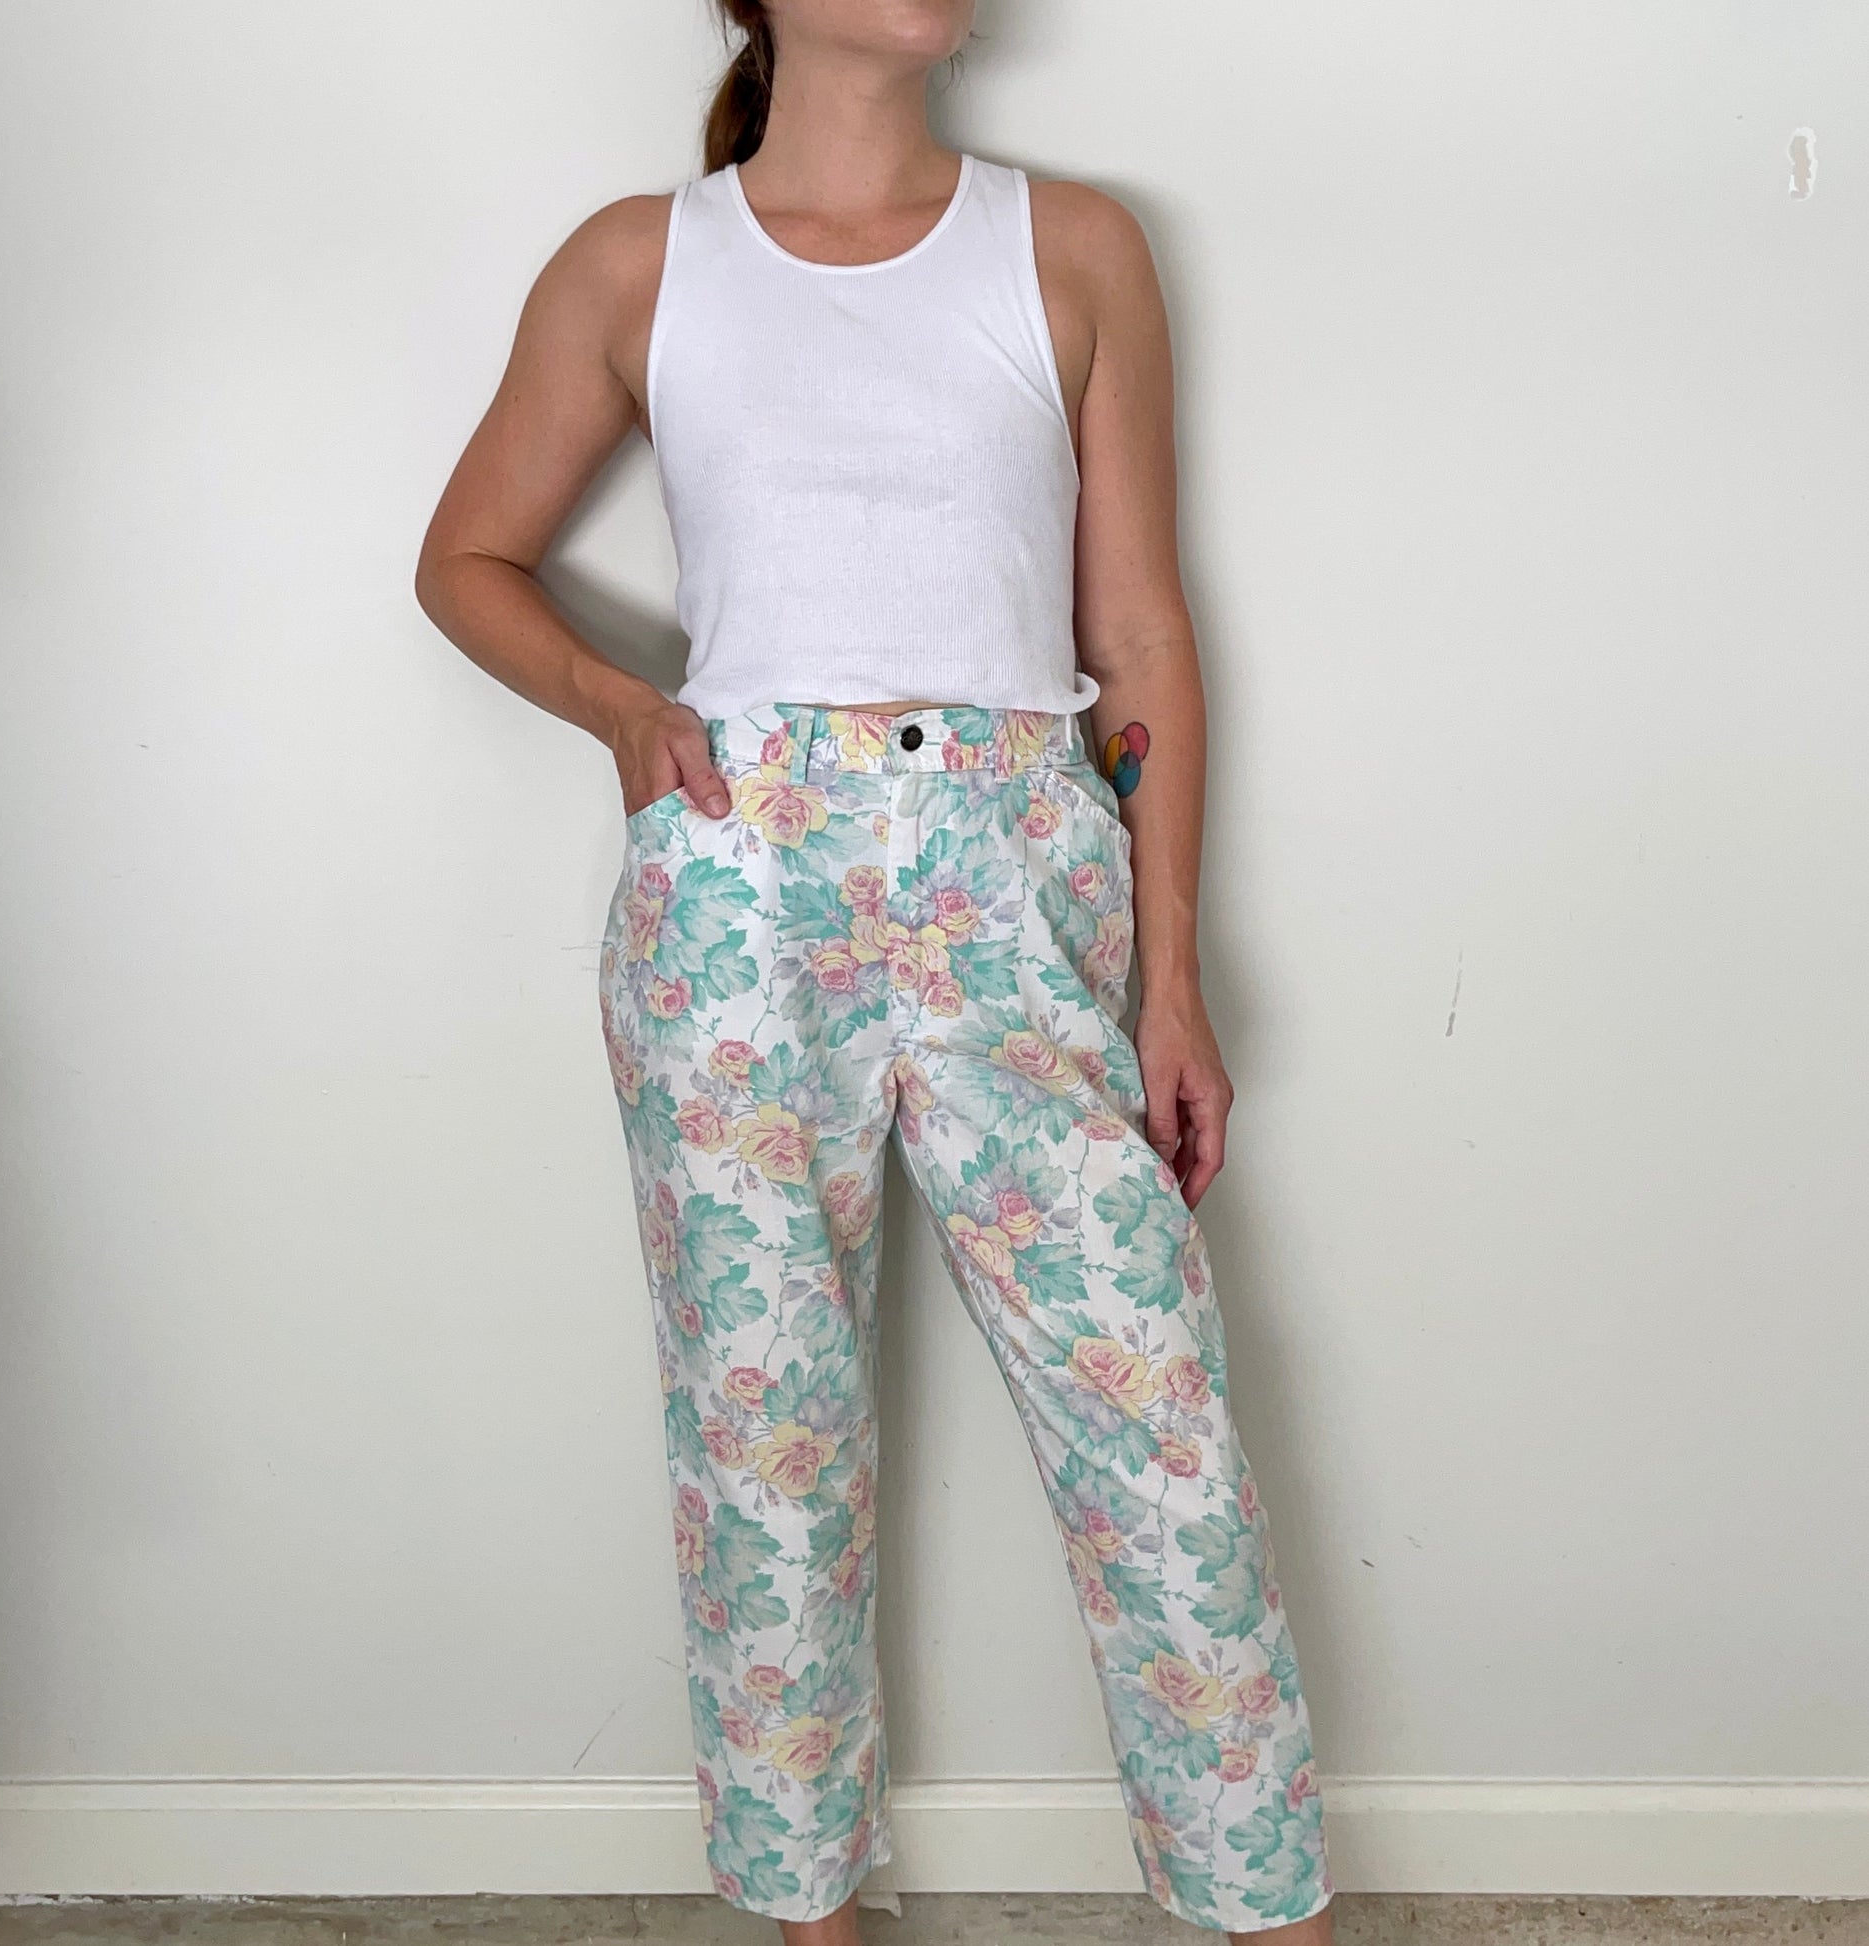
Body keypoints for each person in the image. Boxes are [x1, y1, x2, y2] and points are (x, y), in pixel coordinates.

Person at [414, 3, 1336, 1939]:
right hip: (743, 884)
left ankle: (1263, 1903)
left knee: (1156, 1430)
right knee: (766, 1445)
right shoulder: (639, 262)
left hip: (1021, 871)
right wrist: (624, 711)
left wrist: (1169, 978)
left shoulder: (1072, 244)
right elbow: (467, 558)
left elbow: (1138, 636)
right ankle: (806, 1913)